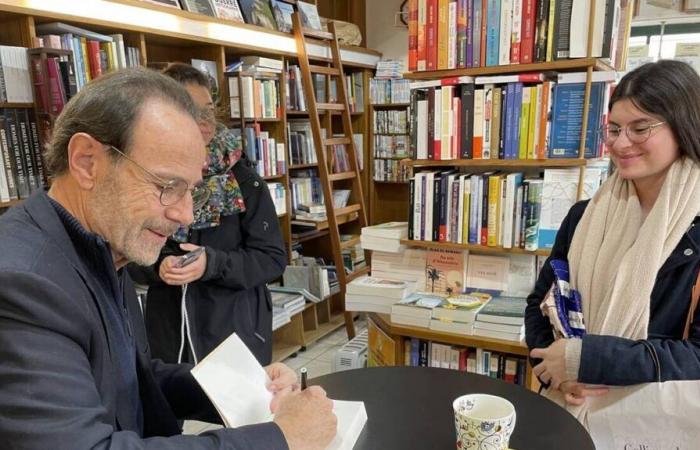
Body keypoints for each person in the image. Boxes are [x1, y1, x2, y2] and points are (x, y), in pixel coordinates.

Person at [0, 67, 336, 449]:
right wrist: (281, 439)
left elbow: (128, 379)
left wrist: (246, 387)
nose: (186, 215)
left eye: (190, 189)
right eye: (167, 186)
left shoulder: (101, 247)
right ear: (86, 162)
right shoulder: (22, 285)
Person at [525, 60, 700, 420]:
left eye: (640, 129)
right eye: (614, 129)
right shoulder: (584, 217)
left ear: (684, 128)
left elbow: (696, 354)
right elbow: (539, 304)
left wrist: (585, 359)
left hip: (652, 423)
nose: (621, 143)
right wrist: (558, 372)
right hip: (571, 414)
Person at [129, 63, 286, 366]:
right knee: (173, 408)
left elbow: (272, 259)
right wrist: (159, 266)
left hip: (236, 336)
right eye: (189, 109)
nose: (204, 121)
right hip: (169, 335)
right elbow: (130, 257)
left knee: (237, 413)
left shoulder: (244, 180)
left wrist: (211, 264)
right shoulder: (145, 177)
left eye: (209, 109)